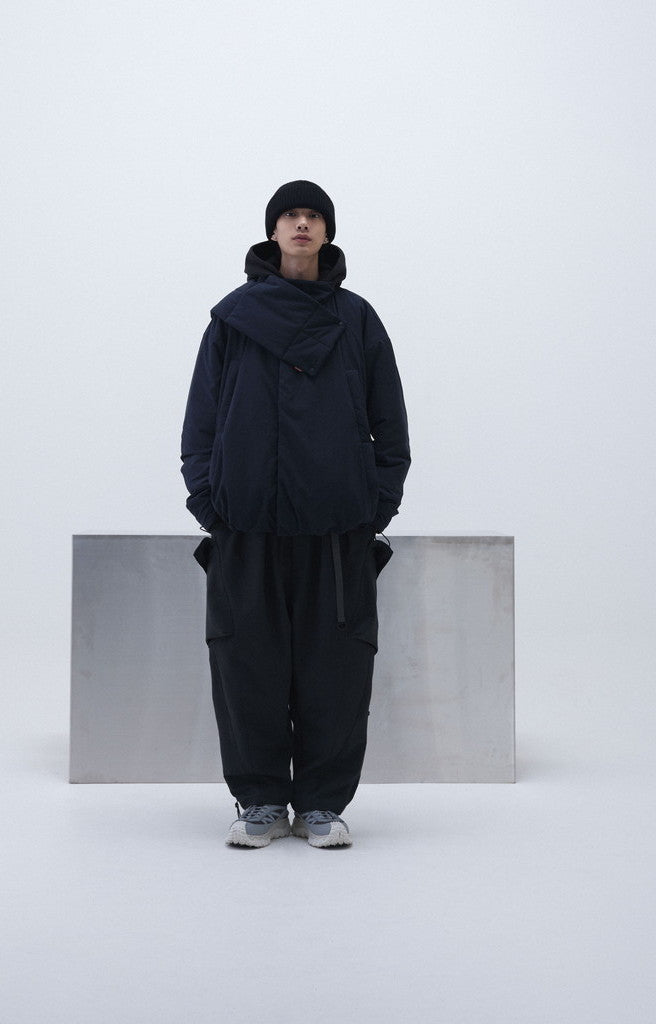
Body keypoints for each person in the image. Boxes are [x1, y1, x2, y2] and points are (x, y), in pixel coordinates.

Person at [181, 180, 410, 848]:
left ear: (328, 232)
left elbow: (389, 423)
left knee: (336, 670)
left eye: (314, 216)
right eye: (291, 215)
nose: (302, 224)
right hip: (247, 523)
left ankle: (320, 805)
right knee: (245, 665)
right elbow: (201, 420)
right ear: (273, 231)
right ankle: (258, 801)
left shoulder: (357, 320)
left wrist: (375, 504)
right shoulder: (232, 319)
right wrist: (210, 500)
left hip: (337, 526)